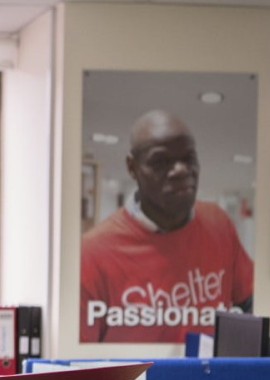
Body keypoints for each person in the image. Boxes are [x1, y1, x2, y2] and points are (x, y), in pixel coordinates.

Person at [80, 109, 254, 343]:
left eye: (189, 158)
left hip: (209, 379)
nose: (181, 170)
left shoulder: (218, 223)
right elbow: (80, 360)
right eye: (161, 161)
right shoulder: (93, 253)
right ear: (133, 167)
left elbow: (250, 305)